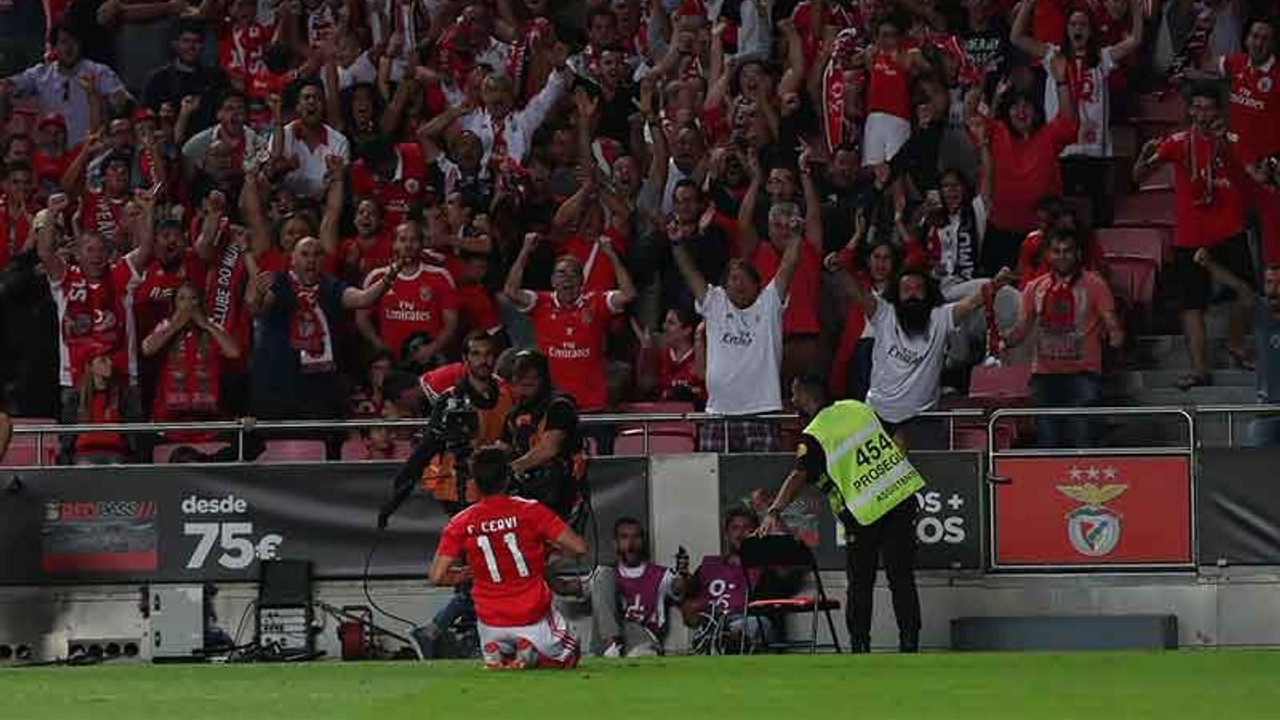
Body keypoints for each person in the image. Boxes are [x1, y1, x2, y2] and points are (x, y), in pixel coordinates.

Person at [759, 374, 928, 653]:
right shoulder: (857, 407)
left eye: (794, 392)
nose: (792, 399)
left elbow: (798, 475)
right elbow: (898, 435)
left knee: (861, 584)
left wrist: (774, 510)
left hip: (864, 514)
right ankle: (910, 644)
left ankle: (860, 646)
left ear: (805, 392)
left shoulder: (815, 434)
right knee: (902, 578)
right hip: (900, 499)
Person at [825, 256, 1013, 450]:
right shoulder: (883, 313)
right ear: (896, 295)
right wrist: (839, 270)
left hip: (924, 420)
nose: (913, 295)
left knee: (930, 477)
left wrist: (996, 283)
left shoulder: (941, 317)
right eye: (906, 290)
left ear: (928, 293)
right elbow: (858, 294)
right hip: (877, 417)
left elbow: (972, 302)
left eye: (918, 289)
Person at [1132, 83, 1251, 389]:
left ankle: (1236, 344)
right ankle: (1199, 370)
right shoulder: (1177, 142)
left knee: (1247, 293)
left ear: (1218, 111)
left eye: (1207, 107)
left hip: (1230, 229)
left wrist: (1225, 145)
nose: (1201, 114)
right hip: (1190, 235)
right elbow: (1138, 178)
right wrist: (1143, 157)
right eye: (1196, 108)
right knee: (1191, 304)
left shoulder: (1234, 141)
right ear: (1188, 111)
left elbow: (1250, 180)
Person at [428, 445, 589, 670]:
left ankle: (499, 652)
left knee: (497, 643)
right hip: (531, 615)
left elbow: (436, 576)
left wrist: (465, 573)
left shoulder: (460, 522)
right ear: (507, 478)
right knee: (571, 653)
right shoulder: (531, 510)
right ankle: (529, 652)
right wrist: (548, 551)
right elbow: (579, 548)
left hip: (489, 620)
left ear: (474, 482)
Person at [244, 236, 397, 458]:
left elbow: (363, 298)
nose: (311, 260)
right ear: (292, 259)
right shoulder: (278, 282)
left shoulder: (330, 286)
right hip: (275, 386)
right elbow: (259, 309)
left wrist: (390, 276)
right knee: (271, 451)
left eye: (316, 255)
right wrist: (257, 294)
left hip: (317, 389)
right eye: (305, 254)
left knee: (318, 450)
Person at [670, 209, 802, 453]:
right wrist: (677, 244)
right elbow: (690, 273)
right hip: (718, 414)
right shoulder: (715, 303)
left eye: (744, 279)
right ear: (724, 286)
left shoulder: (769, 303)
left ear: (758, 285)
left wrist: (794, 238)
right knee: (715, 487)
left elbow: (788, 265)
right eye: (732, 279)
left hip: (762, 413)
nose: (738, 284)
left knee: (762, 487)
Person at [1004, 229, 1124, 448]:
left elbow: (1111, 322)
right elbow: (1023, 326)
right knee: (1047, 441)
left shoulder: (1095, 284)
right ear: (1047, 255)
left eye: (1067, 251)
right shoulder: (1034, 288)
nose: (1062, 256)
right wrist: (1004, 340)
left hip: (1083, 373)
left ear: (1077, 253)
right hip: (1044, 375)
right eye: (1056, 251)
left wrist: (1115, 334)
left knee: (1082, 438)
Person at [0, 23, 130, 144]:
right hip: (54, 151)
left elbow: (124, 103)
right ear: (54, 48)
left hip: (91, 150)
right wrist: (5, 86)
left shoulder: (99, 71)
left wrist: (118, 101)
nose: (69, 48)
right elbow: (11, 85)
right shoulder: (40, 73)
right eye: (64, 42)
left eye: (74, 42)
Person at [501, 350, 588, 524]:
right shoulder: (515, 413)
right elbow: (504, 446)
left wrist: (511, 468)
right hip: (526, 495)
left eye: (528, 385)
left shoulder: (560, 406)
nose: (520, 391)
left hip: (564, 494)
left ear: (543, 381)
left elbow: (549, 448)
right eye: (516, 384)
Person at [588, 517, 689, 658]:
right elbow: (568, 588)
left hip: (642, 637)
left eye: (636, 537)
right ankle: (612, 644)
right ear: (615, 543)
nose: (631, 544)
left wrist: (682, 574)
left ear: (643, 541)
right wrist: (549, 572)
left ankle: (616, 648)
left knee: (633, 633)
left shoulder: (659, 574)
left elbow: (678, 588)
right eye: (624, 537)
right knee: (602, 574)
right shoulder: (604, 575)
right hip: (607, 639)